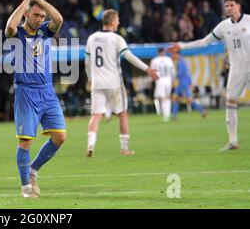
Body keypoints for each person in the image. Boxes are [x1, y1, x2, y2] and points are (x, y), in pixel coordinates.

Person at [5, 0, 65, 198]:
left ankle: (33, 170)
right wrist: (26, 1)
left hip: (47, 91)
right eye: (36, 15)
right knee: (26, 141)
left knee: (59, 137)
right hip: (26, 92)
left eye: (42, 16)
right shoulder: (18, 34)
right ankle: (25, 187)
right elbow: (10, 26)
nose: (40, 19)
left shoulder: (45, 32)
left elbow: (58, 19)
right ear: (27, 15)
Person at [171, 0, 249, 151]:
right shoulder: (223, 26)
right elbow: (204, 42)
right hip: (236, 69)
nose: (228, 8)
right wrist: (182, 46)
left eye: (231, 5)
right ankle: (233, 141)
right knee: (231, 103)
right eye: (226, 6)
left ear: (239, 6)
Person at [85, 9, 159, 157]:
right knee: (122, 114)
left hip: (97, 83)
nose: (118, 22)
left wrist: (90, 78)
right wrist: (147, 68)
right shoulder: (117, 39)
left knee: (96, 116)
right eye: (117, 20)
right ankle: (125, 148)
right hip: (114, 83)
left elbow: (87, 62)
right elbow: (129, 56)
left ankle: (90, 145)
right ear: (113, 22)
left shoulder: (92, 38)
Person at [170, 51, 207, 120]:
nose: (173, 56)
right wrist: (190, 83)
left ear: (177, 54)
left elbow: (180, 73)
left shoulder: (180, 63)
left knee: (189, 99)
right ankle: (174, 115)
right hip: (183, 83)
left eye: (173, 54)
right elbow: (188, 74)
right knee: (175, 98)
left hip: (182, 83)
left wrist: (174, 76)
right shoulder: (183, 62)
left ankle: (202, 111)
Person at [150, 48, 175, 122]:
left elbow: (152, 72)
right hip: (168, 79)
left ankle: (165, 115)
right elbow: (172, 71)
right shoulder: (168, 59)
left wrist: (153, 80)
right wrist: (173, 80)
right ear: (164, 52)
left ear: (158, 52)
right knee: (167, 97)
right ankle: (167, 114)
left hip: (160, 80)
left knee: (162, 98)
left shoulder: (155, 60)